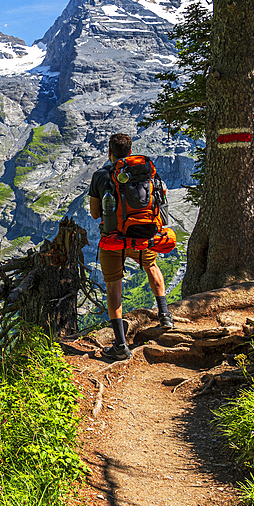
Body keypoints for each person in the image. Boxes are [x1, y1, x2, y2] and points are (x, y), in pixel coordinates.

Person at [88, 133, 174, 360]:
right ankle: (165, 315)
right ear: (130, 151)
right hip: (142, 236)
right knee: (152, 267)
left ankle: (120, 345)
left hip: (113, 239)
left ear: (110, 152)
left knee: (114, 287)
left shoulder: (100, 175)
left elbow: (95, 213)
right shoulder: (145, 173)